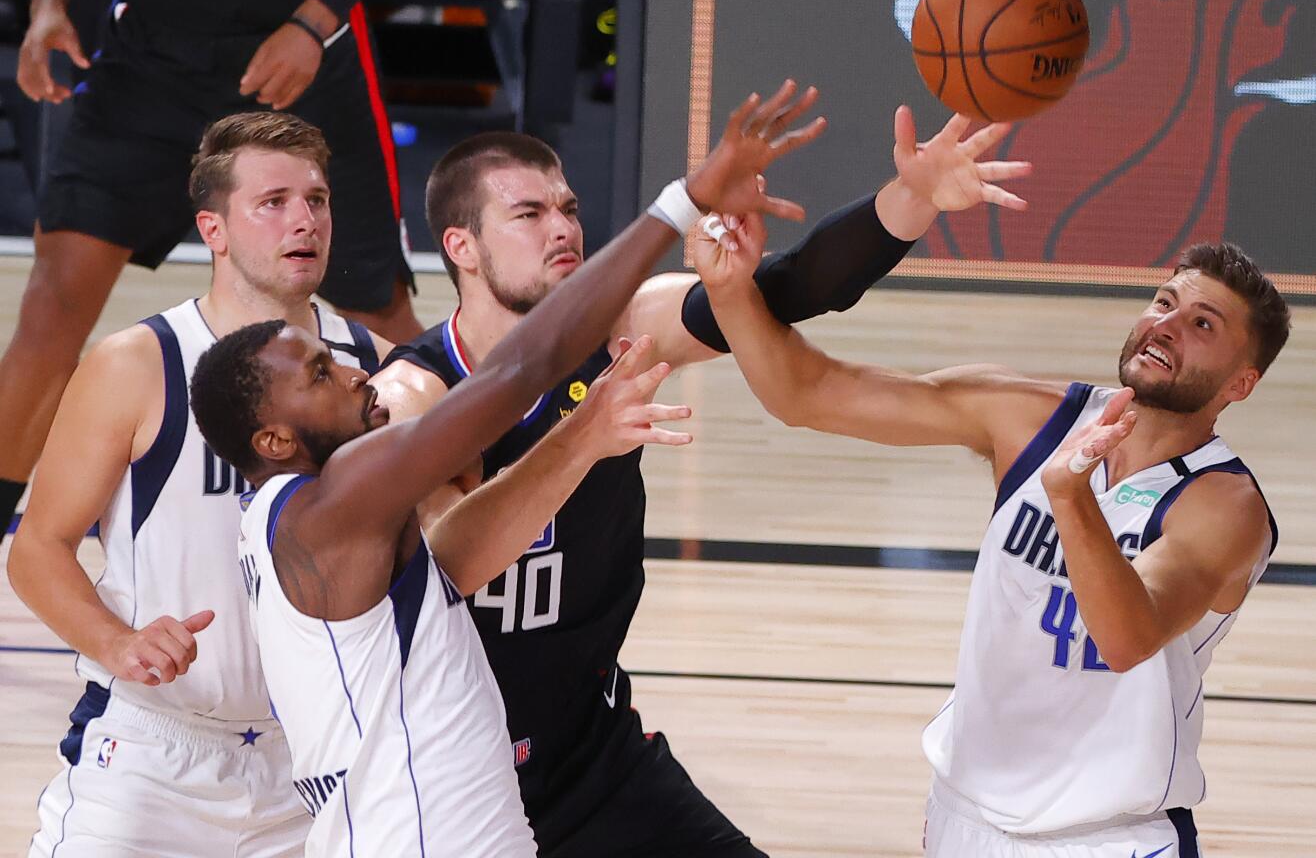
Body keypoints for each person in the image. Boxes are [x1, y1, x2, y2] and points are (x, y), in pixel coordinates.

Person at [364, 84, 1011, 857]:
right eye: (528, 215)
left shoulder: (618, 329)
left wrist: (908, 199)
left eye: (567, 208)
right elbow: (445, 566)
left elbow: (791, 287)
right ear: (461, 246)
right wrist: (580, 440)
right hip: (445, 774)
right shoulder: (412, 395)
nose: (563, 229)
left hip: (591, 758)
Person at [187, 82, 823, 857]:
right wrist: (679, 204)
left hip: (493, 808)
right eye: (322, 377)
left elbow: (466, 531)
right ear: (276, 439)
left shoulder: (290, 513)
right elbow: (517, 376)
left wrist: (582, 433)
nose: (357, 374)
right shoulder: (343, 502)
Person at [690, 107, 1288, 858]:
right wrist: (730, 288)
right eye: (1165, 301)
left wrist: (1070, 495)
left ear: (1241, 383)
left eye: (1204, 324)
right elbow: (806, 393)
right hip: (965, 815)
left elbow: (1128, 635)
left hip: (1108, 838)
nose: (1168, 324)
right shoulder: (1030, 415)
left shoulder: (1224, 504)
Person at [7, 111, 391, 857]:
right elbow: (37, 550)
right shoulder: (139, 362)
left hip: (314, 758)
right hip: (154, 754)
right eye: (272, 202)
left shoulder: (365, 359)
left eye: (316, 199)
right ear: (213, 230)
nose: (303, 220)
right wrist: (118, 643)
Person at [0, 0, 426, 540]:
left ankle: (448, 519)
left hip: (294, 56)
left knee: (376, 315)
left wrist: (316, 21)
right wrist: (49, 5)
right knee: (54, 302)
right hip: (149, 63)